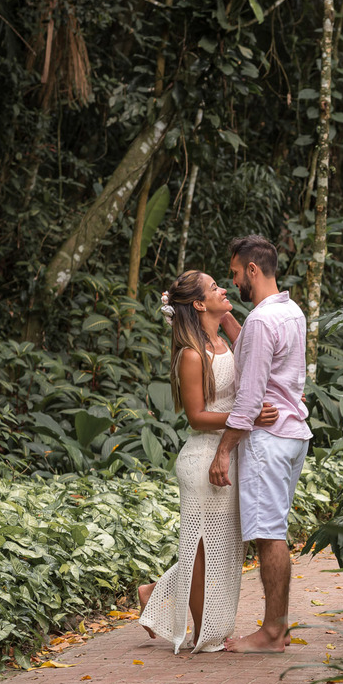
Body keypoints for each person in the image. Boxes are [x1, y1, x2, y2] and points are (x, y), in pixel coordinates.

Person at [137, 269, 277, 653]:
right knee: (201, 551)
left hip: (228, 453)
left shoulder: (222, 341)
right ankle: (201, 632)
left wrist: (223, 312)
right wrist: (246, 418)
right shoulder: (191, 354)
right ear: (198, 303)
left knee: (216, 549)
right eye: (215, 288)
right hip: (202, 459)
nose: (224, 289)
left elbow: (249, 340)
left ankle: (153, 592)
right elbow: (197, 416)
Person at [210, 235, 311, 654]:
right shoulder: (291, 311)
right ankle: (278, 628)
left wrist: (224, 450)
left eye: (235, 273)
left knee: (269, 535)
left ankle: (272, 632)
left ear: (252, 269)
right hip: (293, 437)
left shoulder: (260, 321)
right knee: (275, 530)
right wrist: (225, 319)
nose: (233, 282)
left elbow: (249, 399)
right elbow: (255, 348)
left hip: (267, 441)